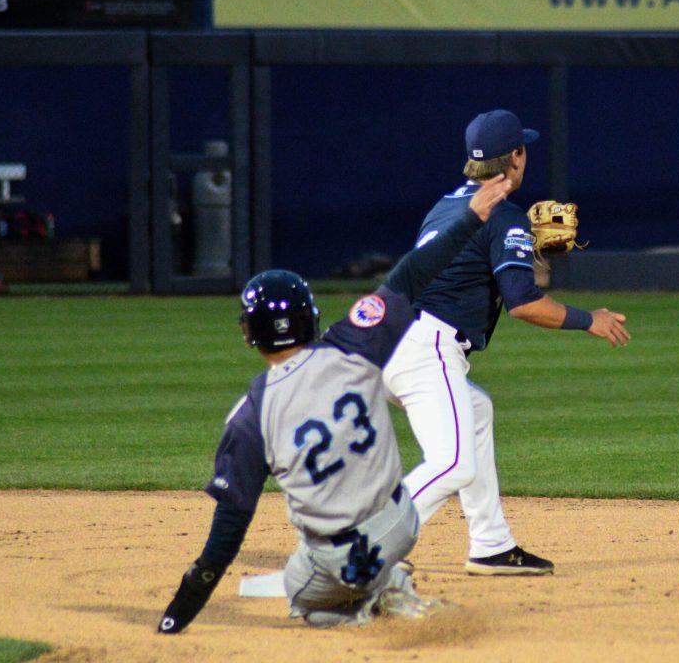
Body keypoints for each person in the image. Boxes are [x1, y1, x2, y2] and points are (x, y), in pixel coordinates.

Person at [156, 175, 514, 633]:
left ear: (250, 335)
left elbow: (228, 531)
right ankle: (387, 583)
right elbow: (410, 274)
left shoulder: (252, 414)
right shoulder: (353, 345)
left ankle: (371, 599)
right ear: (312, 318)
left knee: (300, 592)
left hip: (343, 560)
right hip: (402, 524)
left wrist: (180, 609)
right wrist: (472, 219)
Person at [383, 109, 630, 576]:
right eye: (524, 149)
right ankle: (364, 548)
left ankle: (491, 543)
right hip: (426, 346)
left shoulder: (448, 203)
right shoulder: (504, 216)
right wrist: (587, 319)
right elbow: (522, 303)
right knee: (453, 463)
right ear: (515, 156)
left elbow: (472, 274)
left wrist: (519, 256)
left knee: (477, 411)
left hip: (394, 339)